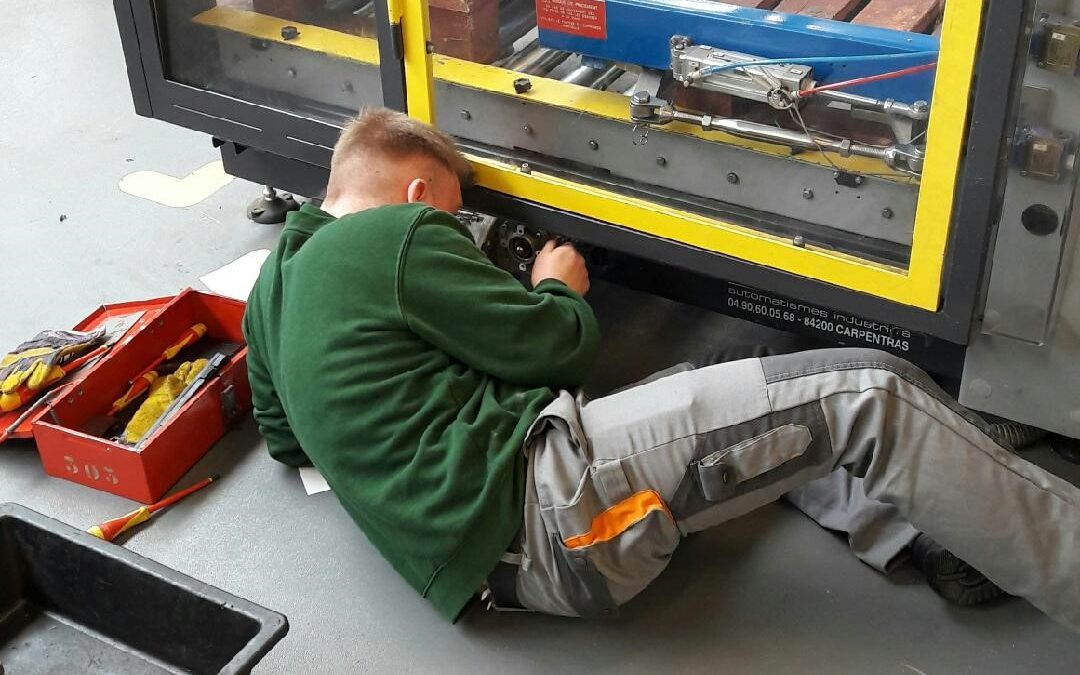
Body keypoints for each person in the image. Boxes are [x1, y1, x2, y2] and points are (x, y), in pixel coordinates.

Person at [242, 108, 1080, 631]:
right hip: (558, 519)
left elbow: (286, 442)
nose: (459, 236)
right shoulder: (395, 233)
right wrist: (554, 288)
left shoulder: (271, 293)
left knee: (735, 380)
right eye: (457, 218)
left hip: (496, 567)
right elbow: (554, 348)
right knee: (870, 392)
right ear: (420, 191)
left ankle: (930, 534)